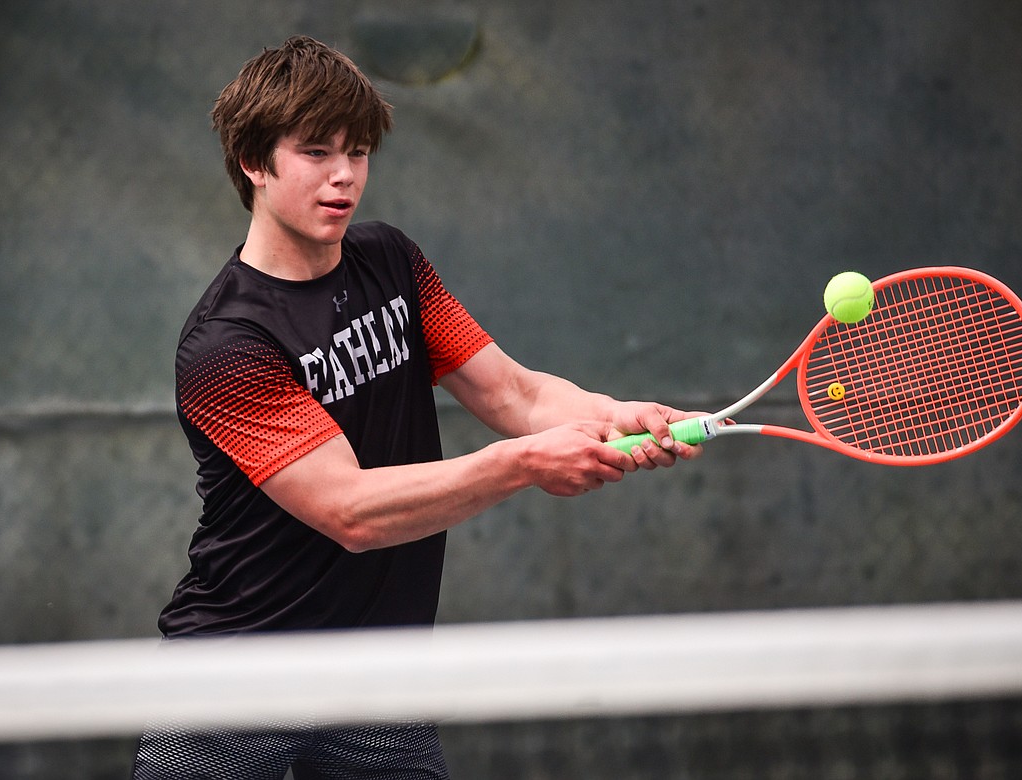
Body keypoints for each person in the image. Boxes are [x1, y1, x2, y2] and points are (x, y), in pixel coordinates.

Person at [134, 35, 702, 780]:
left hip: (379, 680)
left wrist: (607, 413)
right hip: (235, 681)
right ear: (253, 163)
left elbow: (515, 393)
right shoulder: (227, 345)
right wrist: (526, 461)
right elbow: (352, 511)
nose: (344, 177)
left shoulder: (390, 262)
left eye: (358, 152)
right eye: (315, 153)